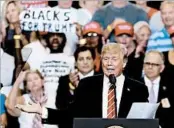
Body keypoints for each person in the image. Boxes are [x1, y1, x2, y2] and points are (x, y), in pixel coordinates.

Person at [15, 43, 149, 128]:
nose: (109, 63)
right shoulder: (87, 85)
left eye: (114, 59)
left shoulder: (138, 89)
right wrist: (42, 111)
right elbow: (71, 115)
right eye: (106, 59)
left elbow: (144, 121)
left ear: (124, 63)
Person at [56, 46, 98, 112]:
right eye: (81, 59)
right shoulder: (65, 80)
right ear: (75, 63)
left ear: (94, 60)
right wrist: (71, 88)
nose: (85, 62)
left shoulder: (102, 78)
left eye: (88, 58)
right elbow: (60, 105)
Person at [142, 50, 173, 128]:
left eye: (154, 64)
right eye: (147, 63)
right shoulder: (133, 86)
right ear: (143, 66)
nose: (150, 67)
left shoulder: (171, 86)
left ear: (162, 68)